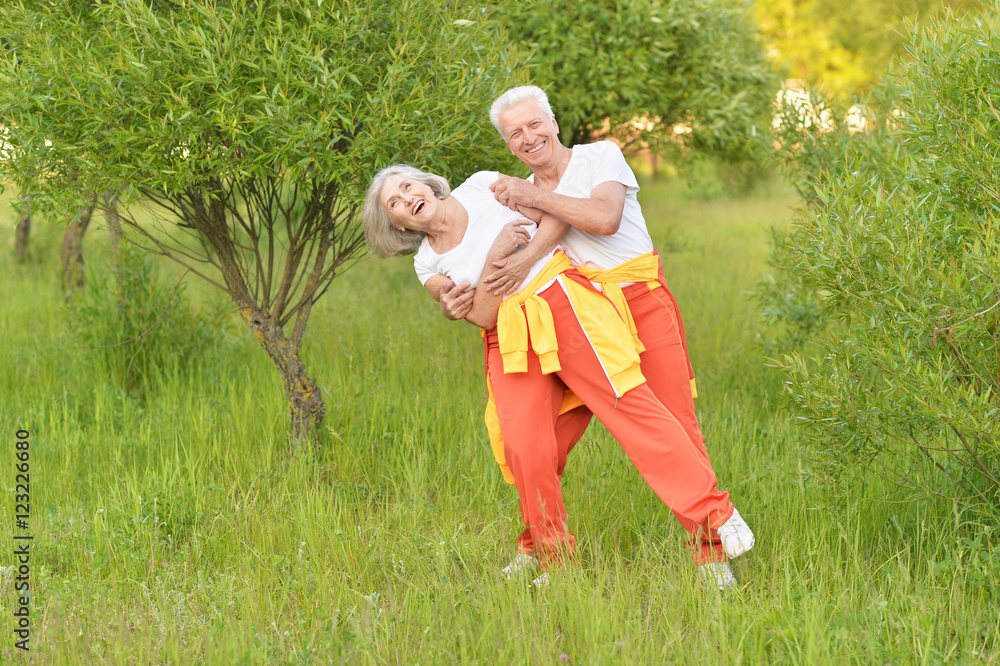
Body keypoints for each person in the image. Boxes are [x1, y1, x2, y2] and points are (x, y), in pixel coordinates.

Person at [363, 164, 753, 586]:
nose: (406, 199)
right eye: (395, 204)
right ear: (398, 225)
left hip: (560, 299)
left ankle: (718, 517)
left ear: (425, 183)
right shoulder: (427, 263)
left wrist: (525, 258)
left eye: (406, 187)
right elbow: (480, 313)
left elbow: (553, 215)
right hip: (507, 335)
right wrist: (498, 253)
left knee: (632, 410)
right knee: (524, 447)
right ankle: (555, 560)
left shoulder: (481, 186)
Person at [476, 85, 753, 589]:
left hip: (639, 304)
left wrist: (532, 194)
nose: (528, 137)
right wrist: (454, 292)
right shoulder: (513, 197)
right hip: (575, 320)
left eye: (535, 124)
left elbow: (604, 218)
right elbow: (491, 254)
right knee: (540, 445)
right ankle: (538, 546)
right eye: (514, 133)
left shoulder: (598, 156)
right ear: (508, 144)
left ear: (554, 121)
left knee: (674, 424)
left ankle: (711, 555)